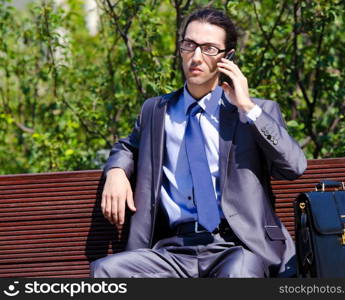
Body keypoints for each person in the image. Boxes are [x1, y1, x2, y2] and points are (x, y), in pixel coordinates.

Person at [90, 7, 307, 278]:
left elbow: (294, 166)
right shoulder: (156, 111)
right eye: (189, 45)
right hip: (172, 250)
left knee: (239, 275)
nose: (196, 57)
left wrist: (248, 108)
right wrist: (116, 171)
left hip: (236, 247)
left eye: (209, 49)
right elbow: (128, 146)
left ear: (228, 58)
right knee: (107, 271)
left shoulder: (253, 113)